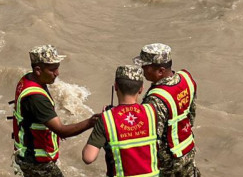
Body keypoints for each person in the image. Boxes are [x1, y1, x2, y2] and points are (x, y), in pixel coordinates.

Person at [11, 45, 99, 177]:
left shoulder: (28, 79)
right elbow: (61, 130)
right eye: (53, 69)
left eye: (57, 67)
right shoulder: (36, 98)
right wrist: (91, 122)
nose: (57, 73)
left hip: (25, 155)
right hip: (36, 163)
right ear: (38, 70)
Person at [134, 44, 199, 177]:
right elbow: (191, 114)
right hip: (188, 150)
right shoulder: (186, 78)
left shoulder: (156, 99)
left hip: (169, 161)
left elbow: (152, 139)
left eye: (146, 67)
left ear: (160, 71)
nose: (142, 70)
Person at [82, 65, 159, 177]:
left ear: (116, 87)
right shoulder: (151, 111)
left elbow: (88, 157)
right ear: (141, 89)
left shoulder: (107, 119)